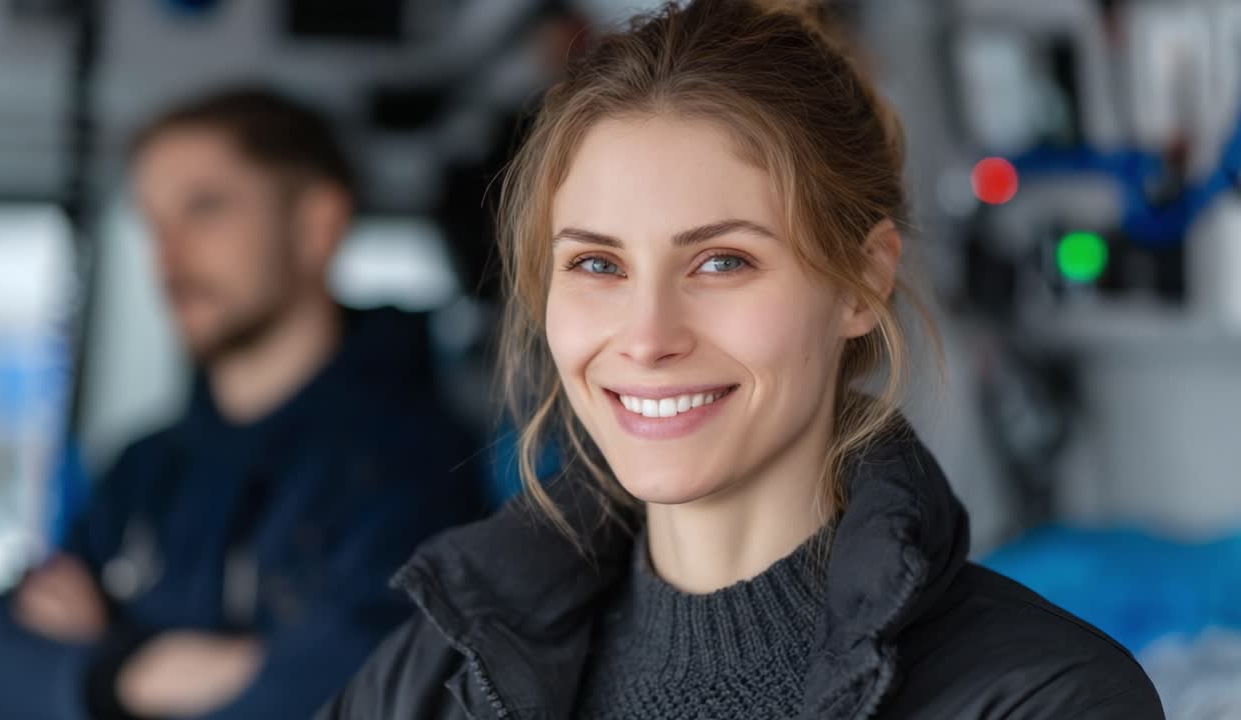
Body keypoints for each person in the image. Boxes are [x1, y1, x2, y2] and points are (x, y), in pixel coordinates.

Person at [316, 1, 1166, 718]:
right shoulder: (429, 675)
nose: (647, 337)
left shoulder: (1039, 698)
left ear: (861, 283)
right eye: (597, 265)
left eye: (722, 262)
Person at [0, 87, 485, 719]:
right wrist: (121, 677)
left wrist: (104, 652)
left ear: (314, 225)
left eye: (203, 209)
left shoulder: (421, 463)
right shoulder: (144, 468)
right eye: (153, 223)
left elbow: (367, 688)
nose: (168, 258)